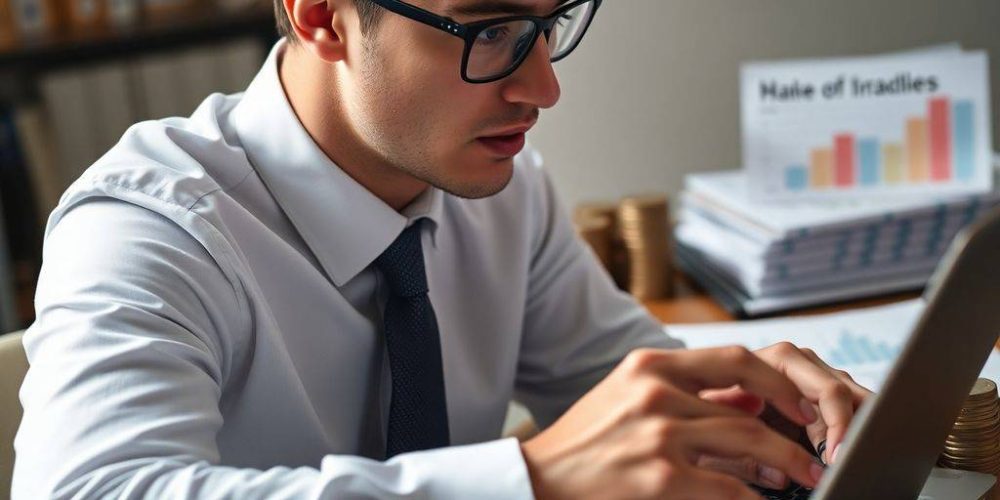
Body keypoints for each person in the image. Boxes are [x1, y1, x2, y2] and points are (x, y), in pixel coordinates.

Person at [13, 0, 870, 498]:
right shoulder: (146, 229)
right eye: (488, 30)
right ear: (323, 16)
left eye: (548, 21)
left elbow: (619, 378)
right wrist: (530, 480)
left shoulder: (501, 188)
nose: (544, 87)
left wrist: (758, 405)